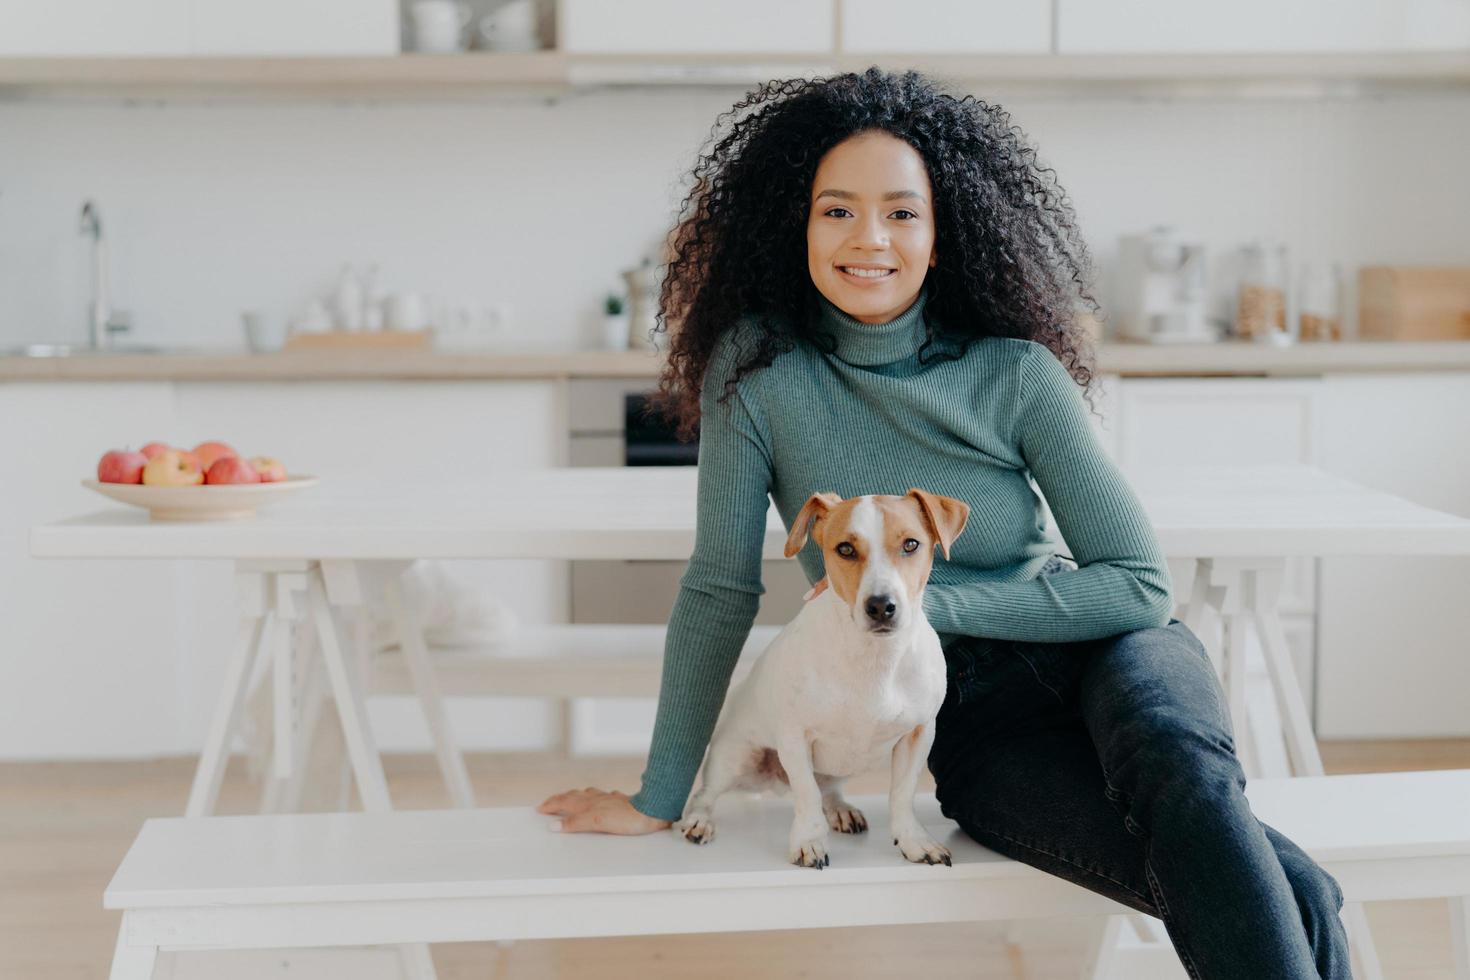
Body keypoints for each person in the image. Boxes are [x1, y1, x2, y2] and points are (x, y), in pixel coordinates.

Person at [538, 68, 1350, 978]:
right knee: (1302, 895)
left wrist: (935, 604)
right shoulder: (759, 373)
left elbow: (1138, 582)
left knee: (1185, 777)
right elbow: (721, 586)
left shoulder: (1016, 373)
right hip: (963, 716)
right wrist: (659, 794)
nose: (870, 239)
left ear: (941, 234)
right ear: (794, 225)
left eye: (902, 212)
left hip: (1112, 649)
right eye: (837, 211)